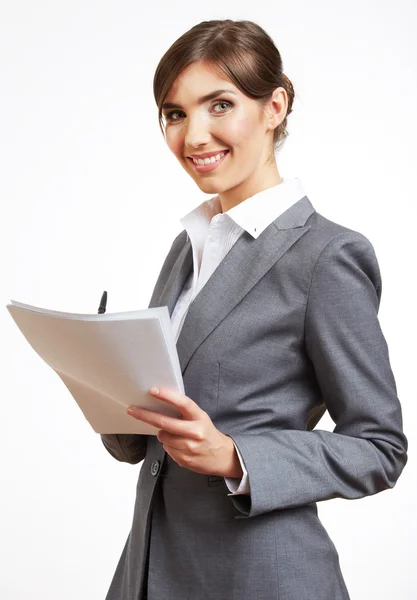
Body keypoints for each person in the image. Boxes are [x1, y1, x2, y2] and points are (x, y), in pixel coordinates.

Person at [100, 19, 408, 600]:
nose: (194, 136)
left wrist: (236, 457)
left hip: (262, 577)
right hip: (149, 569)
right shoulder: (187, 247)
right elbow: (148, 434)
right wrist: (102, 385)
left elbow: (380, 448)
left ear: (274, 107)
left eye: (220, 104)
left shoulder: (327, 256)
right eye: (175, 113)